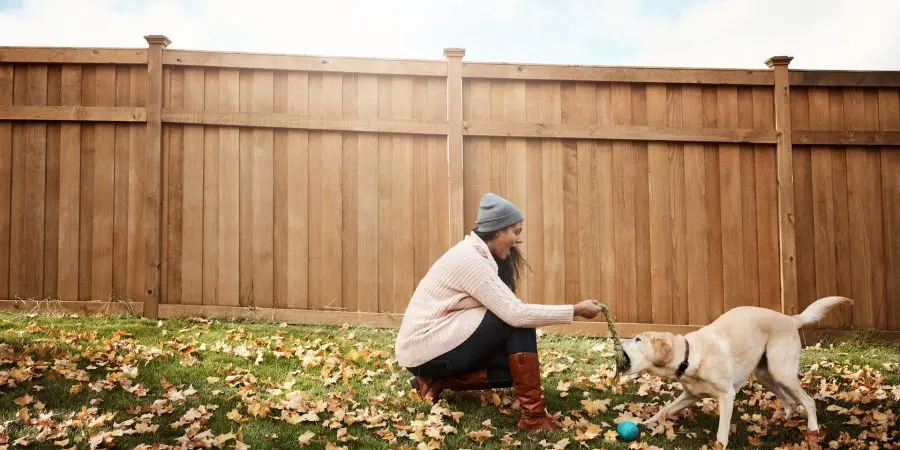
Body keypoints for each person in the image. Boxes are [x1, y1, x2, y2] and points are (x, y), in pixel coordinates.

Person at [394, 192, 603, 431]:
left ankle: (434, 380)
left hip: (435, 346)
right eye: (516, 232)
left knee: (513, 370)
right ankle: (533, 418)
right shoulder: (469, 260)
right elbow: (516, 314)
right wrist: (575, 310)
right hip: (424, 347)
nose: (518, 240)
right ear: (497, 231)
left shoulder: (479, 256)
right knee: (517, 320)